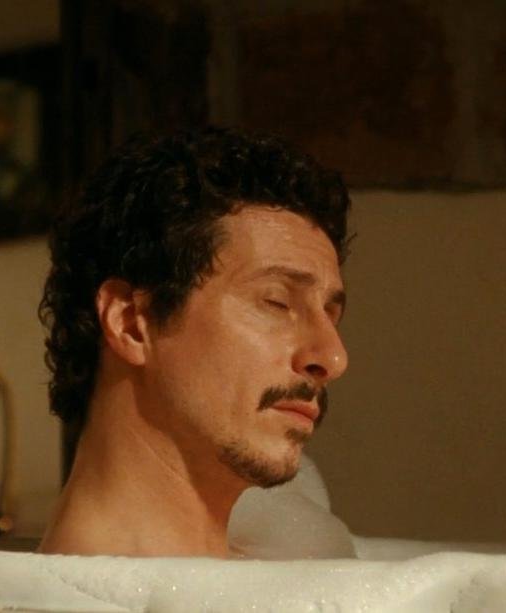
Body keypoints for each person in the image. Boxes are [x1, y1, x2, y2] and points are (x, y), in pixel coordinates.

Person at [37, 127, 352, 557]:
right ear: (131, 323)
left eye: (331, 315)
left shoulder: (287, 566)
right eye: (277, 302)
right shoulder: (69, 593)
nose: (333, 357)